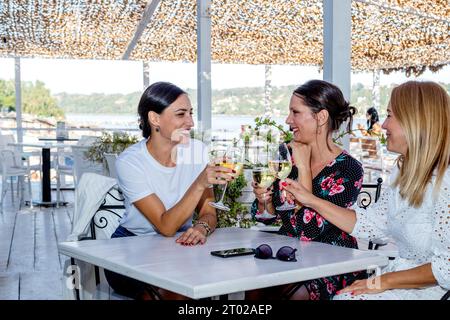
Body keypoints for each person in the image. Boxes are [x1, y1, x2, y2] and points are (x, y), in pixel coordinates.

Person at [284, 81, 450, 300]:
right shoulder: (402, 173)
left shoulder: (445, 181)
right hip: (399, 278)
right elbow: (372, 225)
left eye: (390, 116)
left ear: (415, 121)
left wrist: (381, 282)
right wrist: (310, 200)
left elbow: (446, 268)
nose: (383, 125)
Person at [104, 82, 234, 300]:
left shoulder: (197, 151)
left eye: (191, 113)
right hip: (130, 249)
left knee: (220, 278)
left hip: (178, 248)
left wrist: (201, 228)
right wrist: (200, 183)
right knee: (173, 292)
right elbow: (165, 226)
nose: (190, 122)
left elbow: (209, 212)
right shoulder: (131, 162)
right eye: (181, 114)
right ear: (154, 119)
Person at [249, 80, 366, 300]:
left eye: (295, 112)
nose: (287, 120)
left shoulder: (349, 169)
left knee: (294, 293)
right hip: (285, 254)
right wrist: (265, 200)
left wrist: (303, 167)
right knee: (254, 285)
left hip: (330, 262)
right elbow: (265, 217)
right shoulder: (285, 154)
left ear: (320, 117)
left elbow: (308, 230)